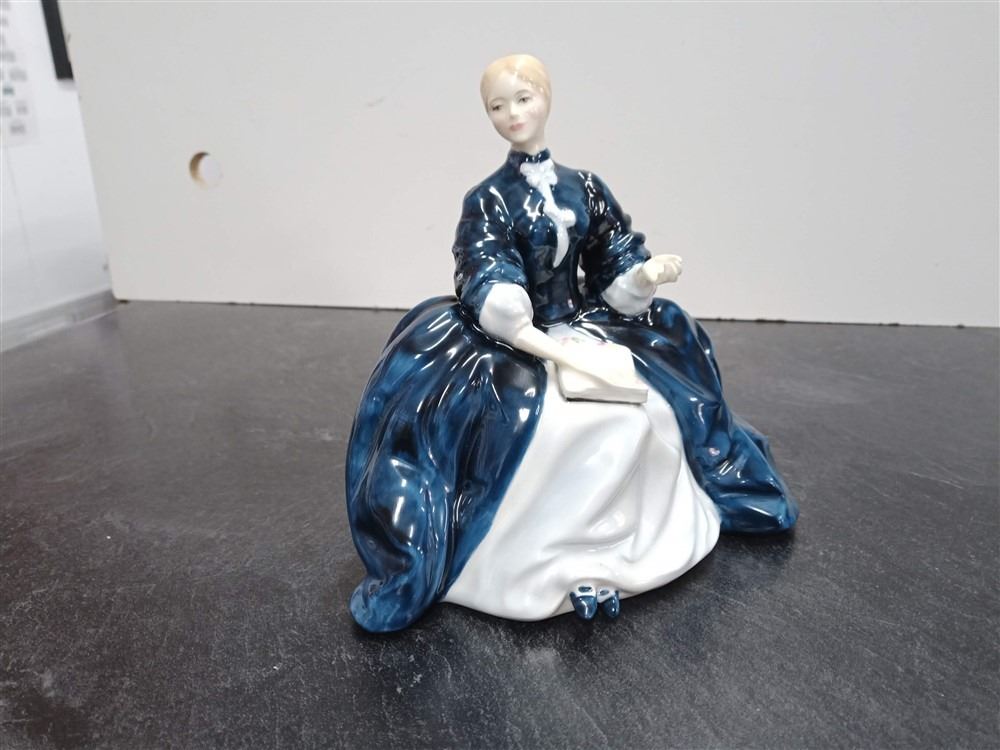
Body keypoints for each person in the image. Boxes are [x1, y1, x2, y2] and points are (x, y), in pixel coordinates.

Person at [346, 54, 798, 633]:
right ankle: (543, 567)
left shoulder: (585, 187)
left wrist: (643, 276)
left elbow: (613, 259)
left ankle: (624, 553)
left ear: (546, 98)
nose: (513, 114)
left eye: (523, 99)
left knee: (658, 408)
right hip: (517, 342)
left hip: (583, 323)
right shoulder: (487, 199)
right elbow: (483, 263)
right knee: (561, 430)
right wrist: (509, 304)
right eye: (497, 106)